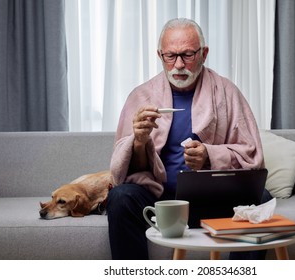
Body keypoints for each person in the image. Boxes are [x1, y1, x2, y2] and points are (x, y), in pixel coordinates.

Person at [107, 18, 270, 260]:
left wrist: (209, 156)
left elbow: (252, 156)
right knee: (120, 198)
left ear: (204, 54)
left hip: (214, 200)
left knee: (261, 201)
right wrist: (139, 141)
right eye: (170, 56)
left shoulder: (227, 92)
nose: (179, 65)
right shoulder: (141, 96)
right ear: (159, 55)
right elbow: (125, 174)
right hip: (160, 202)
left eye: (187, 55)